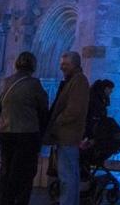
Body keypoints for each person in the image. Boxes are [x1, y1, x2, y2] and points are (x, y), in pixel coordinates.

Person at [0, 52, 49, 205]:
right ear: (33, 66)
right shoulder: (34, 84)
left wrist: (1, 125)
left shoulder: (7, 82)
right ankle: (20, 201)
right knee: (25, 172)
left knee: (6, 168)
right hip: (27, 134)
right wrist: (42, 133)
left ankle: (3, 200)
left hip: (5, 132)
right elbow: (43, 109)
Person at [44, 51, 90, 205]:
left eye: (66, 64)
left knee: (67, 177)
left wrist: (57, 120)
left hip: (68, 136)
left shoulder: (79, 81)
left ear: (75, 64)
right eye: (61, 64)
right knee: (70, 176)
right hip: (66, 135)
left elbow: (74, 110)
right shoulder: (72, 80)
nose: (62, 67)